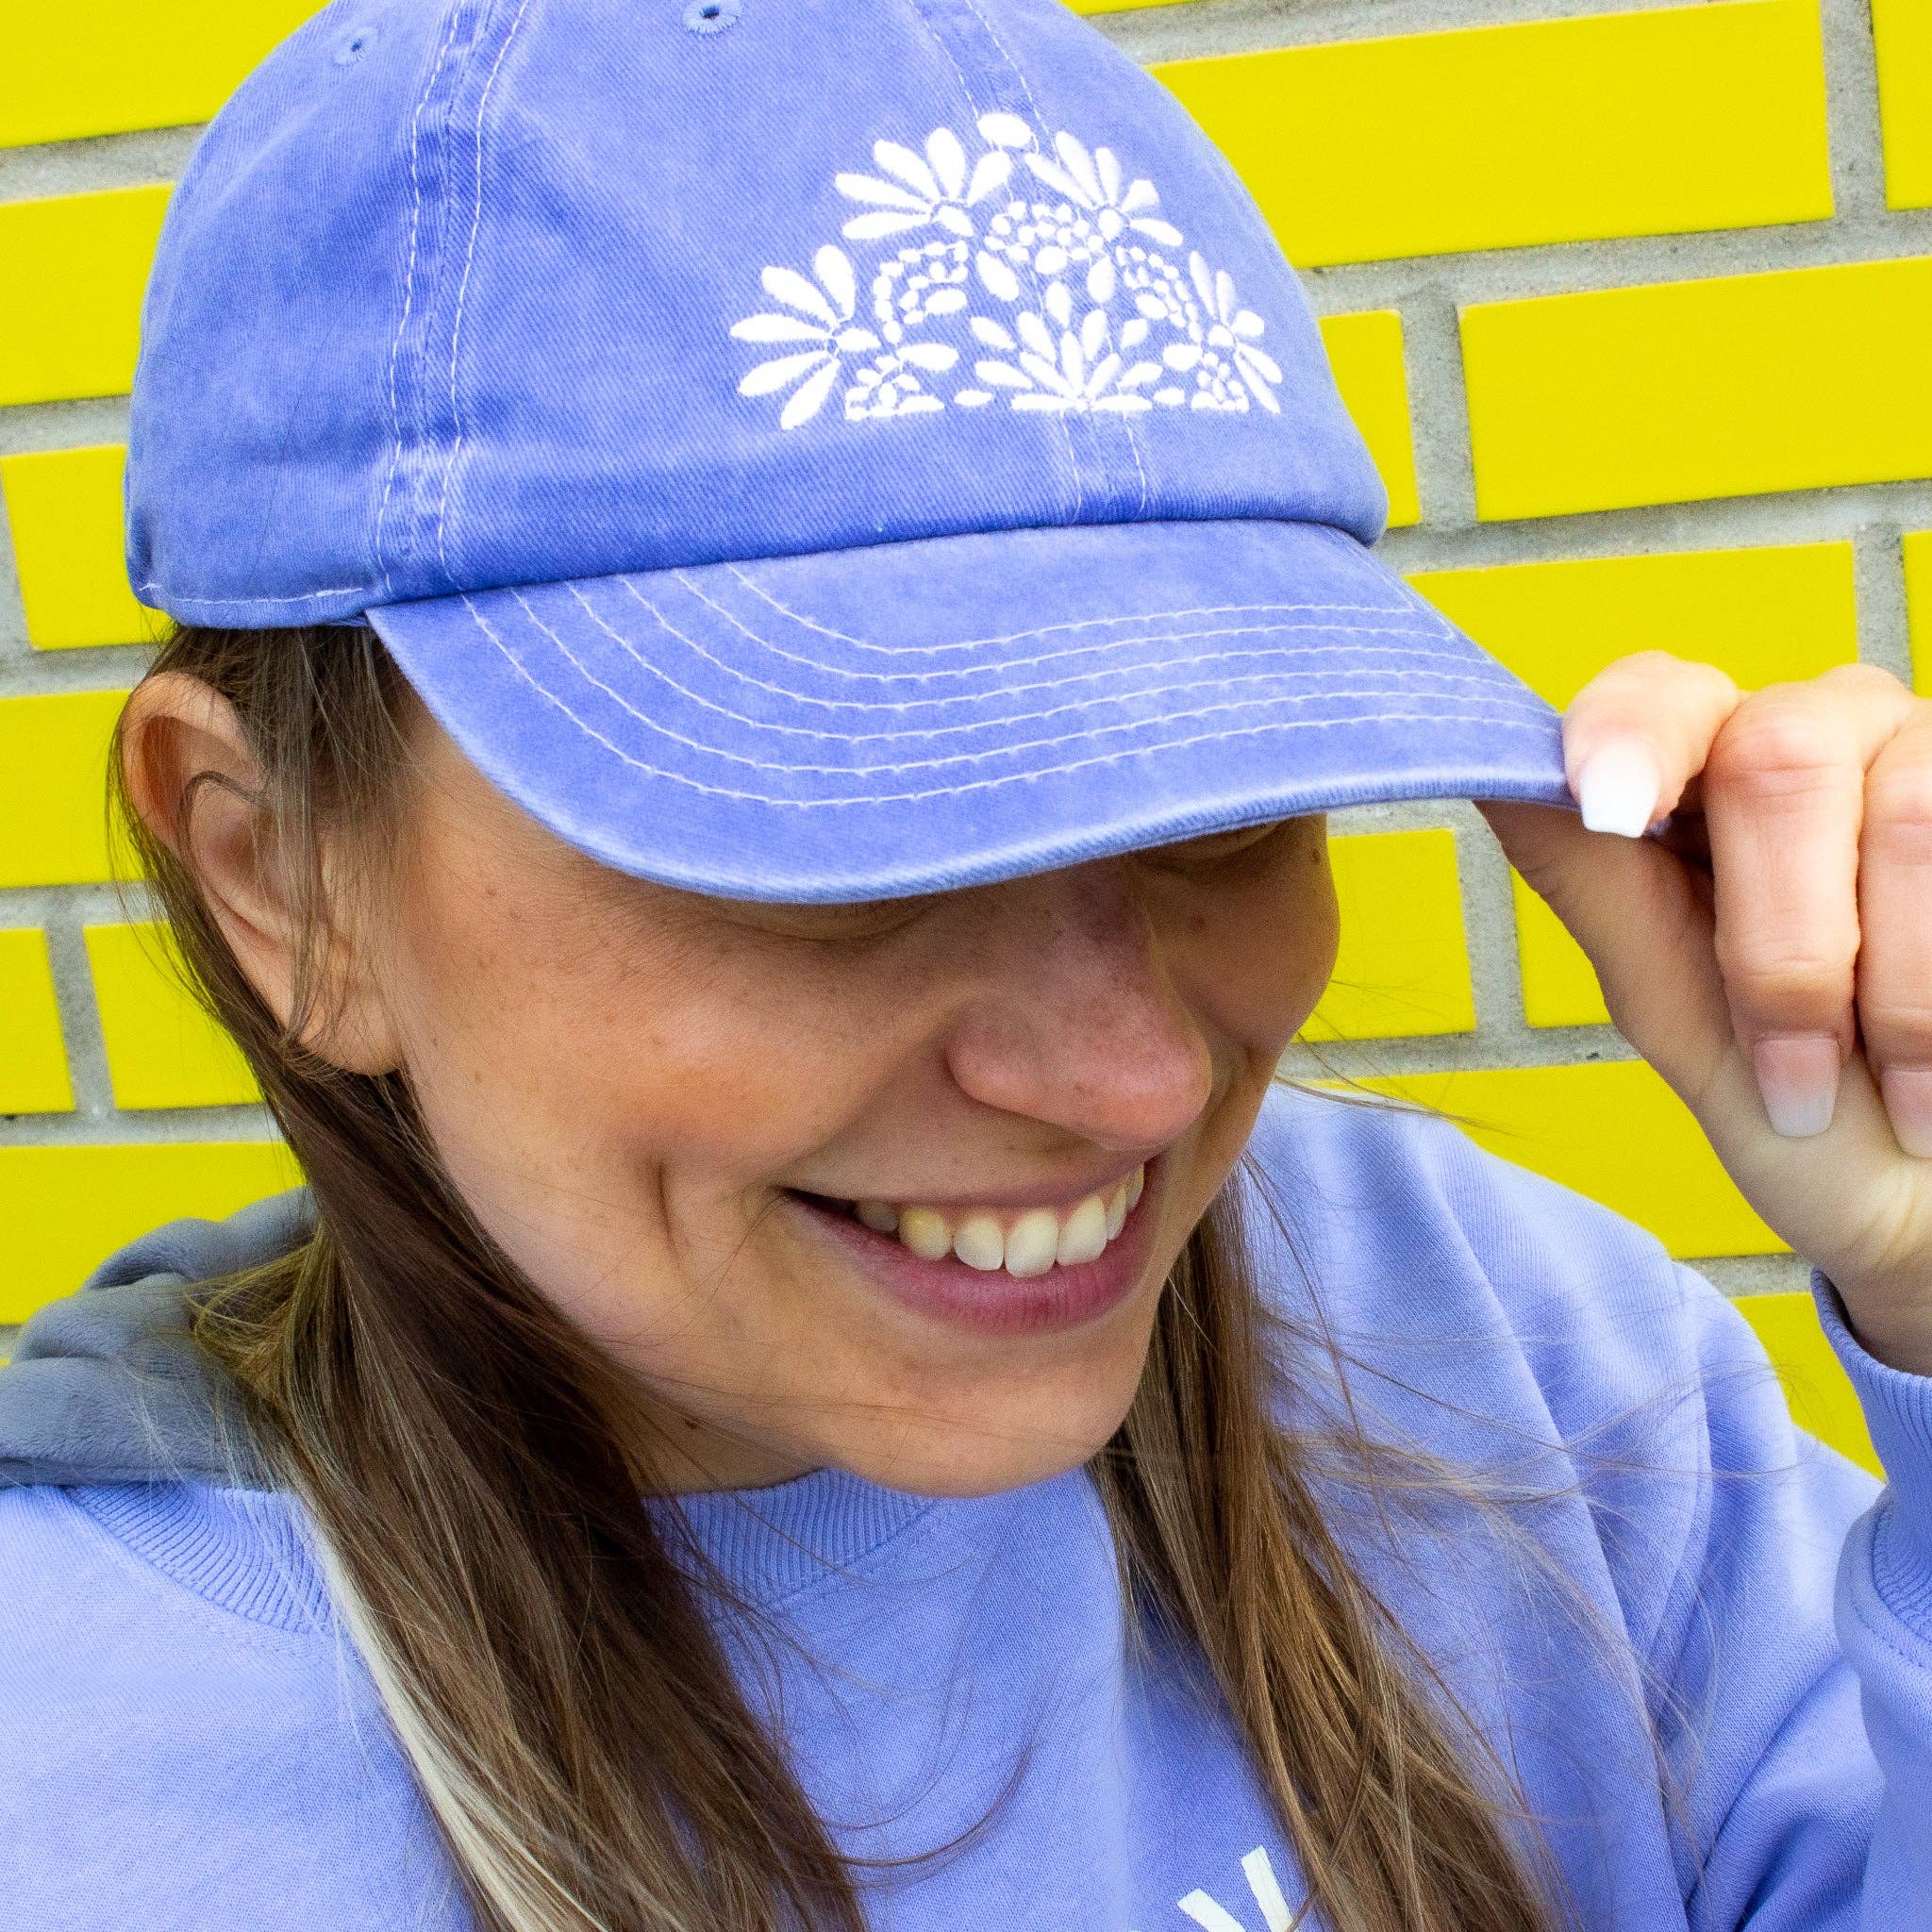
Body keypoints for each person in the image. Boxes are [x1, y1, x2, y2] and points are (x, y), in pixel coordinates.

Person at [2, 1, 1928, 1927]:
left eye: (1220, 799)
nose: (1135, 1080)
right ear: (285, 877)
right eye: (826, 838)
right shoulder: (82, 1773)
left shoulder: (1501, 1357)